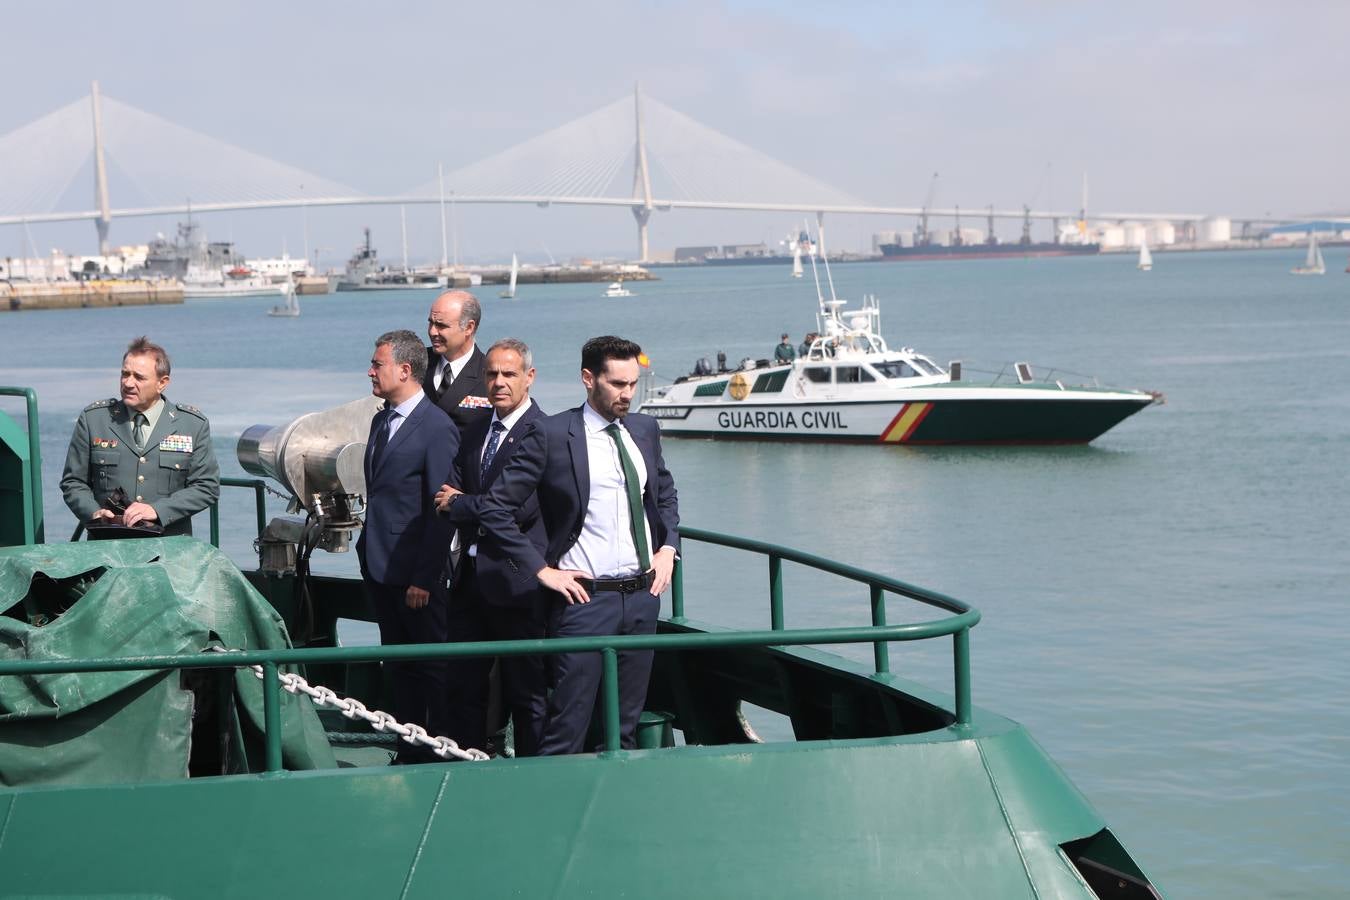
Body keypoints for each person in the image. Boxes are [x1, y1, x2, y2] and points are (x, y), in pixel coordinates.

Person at [480, 336, 679, 755]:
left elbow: (664, 493)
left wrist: (668, 549)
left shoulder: (643, 429)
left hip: (643, 598)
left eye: (633, 384)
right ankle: (551, 813)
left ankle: (612, 812)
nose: (628, 394)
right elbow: (496, 508)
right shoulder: (551, 433)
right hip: (585, 601)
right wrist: (542, 570)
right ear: (588, 379)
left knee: (623, 727)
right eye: (617, 384)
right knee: (567, 725)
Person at [433, 339, 549, 757]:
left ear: (529, 377)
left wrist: (462, 503)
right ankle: (468, 760)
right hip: (470, 577)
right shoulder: (478, 428)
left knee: (527, 688)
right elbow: (445, 494)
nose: (499, 383)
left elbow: (511, 505)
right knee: (463, 681)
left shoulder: (541, 431)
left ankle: (536, 771)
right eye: (492, 374)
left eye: (509, 374)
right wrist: (462, 504)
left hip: (518, 579)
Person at [356, 329, 459, 763]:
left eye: (378, 364)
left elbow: (440, 510)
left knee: (430, 667)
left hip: (416, 576)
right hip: (380, 567)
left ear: (405, 369)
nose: (371, 371)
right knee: (398, 666)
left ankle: (440, 749)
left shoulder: (436, 428)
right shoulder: (382, 420)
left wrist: (425, 577)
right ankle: (408, 745)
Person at [60, 336, 219, 537]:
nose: (128, 383)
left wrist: (157, 511)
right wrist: (94, 513)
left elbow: (207, 487)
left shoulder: (192, 425)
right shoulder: (95, 420)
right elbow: (73, 482)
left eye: (139, 377)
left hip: (169, 549)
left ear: (162, 383)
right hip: (108, 546)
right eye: (124, 374)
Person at [422, 290, 492, 433]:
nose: (432, 332)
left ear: (468, 327)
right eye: (431, 323)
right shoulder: (416, 363)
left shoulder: (489, 375)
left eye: (441, 326)